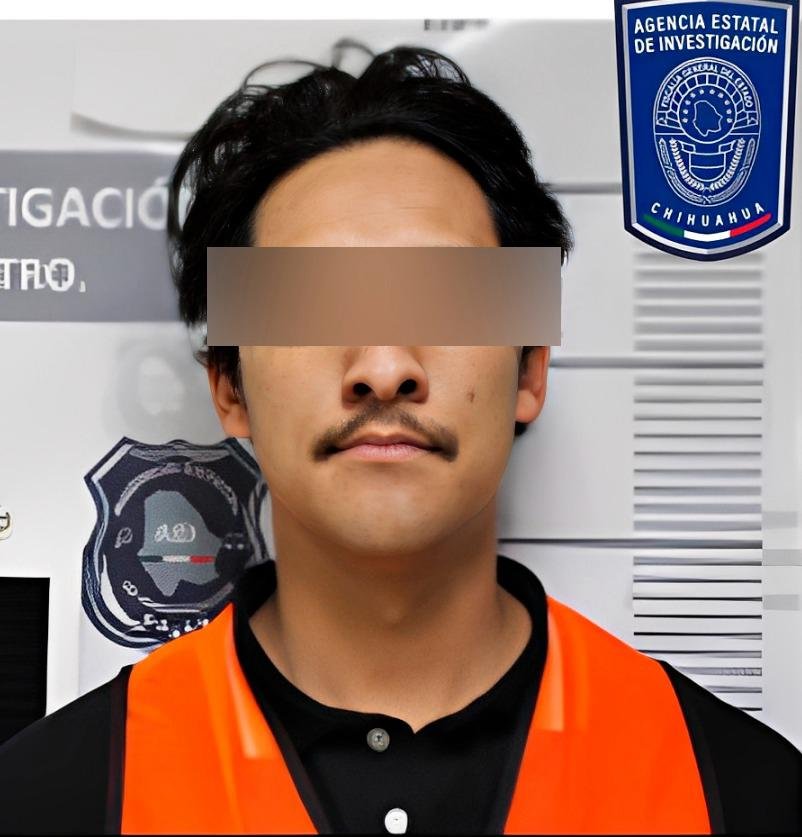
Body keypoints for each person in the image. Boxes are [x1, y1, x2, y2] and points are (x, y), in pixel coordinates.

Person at [0, 42, 799, 836]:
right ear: (229, 388)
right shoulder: (47, 798)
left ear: (530, 369)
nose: (383, 369)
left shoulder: (741, 791)